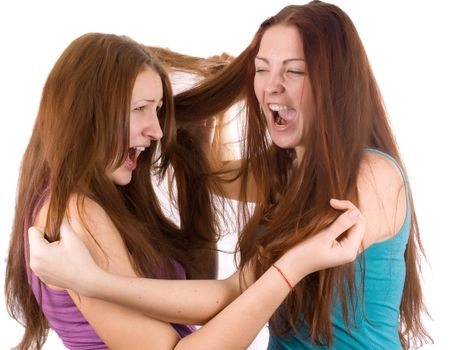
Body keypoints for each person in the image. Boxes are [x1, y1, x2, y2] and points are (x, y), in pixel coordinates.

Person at [5, 32, 365, 350]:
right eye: (140, 109)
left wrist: (197, 155)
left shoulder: (103, 200)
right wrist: (292, 265)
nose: (156, 130)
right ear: (87, 113)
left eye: (158, 110)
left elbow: (201, 295)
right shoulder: (79, 214)